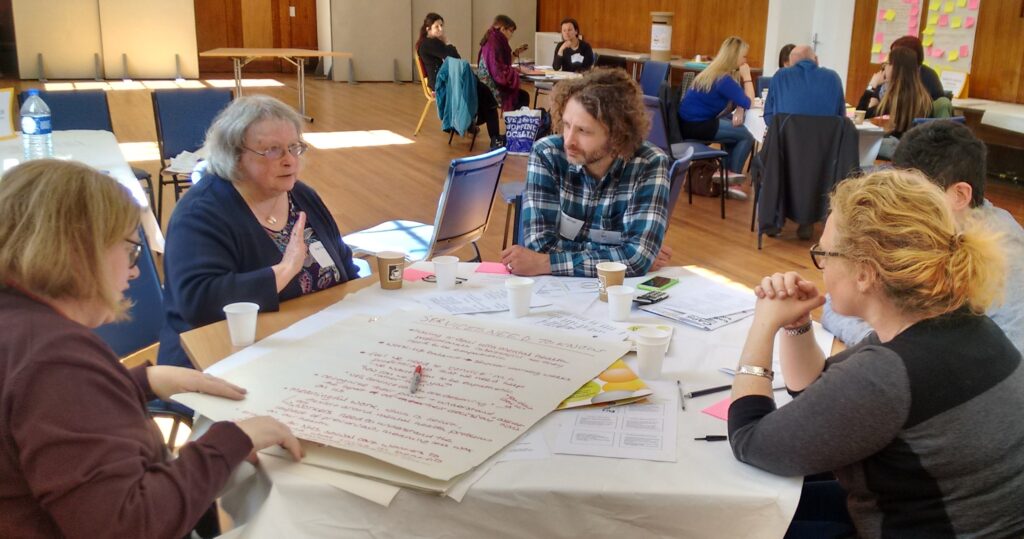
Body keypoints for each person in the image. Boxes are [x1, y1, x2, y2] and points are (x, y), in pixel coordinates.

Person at [0, 159, 303, 537]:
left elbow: (36, 414)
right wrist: (231, 441)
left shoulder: (21, 329)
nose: (135, 271)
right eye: (129, 250)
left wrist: (135, 381)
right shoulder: (55, 359)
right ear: (80, 250)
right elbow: (129, 526)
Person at [727, 169, 1024, 537]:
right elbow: (818, 393)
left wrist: (762, 325)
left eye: (824, 252)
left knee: (730, 521)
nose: (819, 262)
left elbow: (750, 441)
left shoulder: (891, 373)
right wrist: (796, 322)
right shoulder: (960, 325)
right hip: (953, 518)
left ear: (866, 273)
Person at [159, 95, 361, 369]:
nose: (290, 160)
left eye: (294, 147)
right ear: (235, 156)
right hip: (221, 358)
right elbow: (199, 302)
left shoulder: (302, 196)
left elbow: (345, 270)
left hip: (311, 345)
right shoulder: (201, 213)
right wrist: (285, 270)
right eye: (273, 150)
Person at [823, 120, 1024, 352]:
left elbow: (1010, 365)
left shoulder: (1008, 257)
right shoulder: (923, 230)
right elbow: (835, 304)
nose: (902, 208)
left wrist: (887, 342)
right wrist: (878, 339)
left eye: (918, 195)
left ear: (960, 195)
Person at [500, 68, 671, 278]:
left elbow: (636, 258)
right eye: (567, 125)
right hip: (555, 293)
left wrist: (546, 263)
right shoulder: (547, 154)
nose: (569, 141)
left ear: (617, 135)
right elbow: (540, 245)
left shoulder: (650, 163)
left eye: (583, 131)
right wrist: (619, 258)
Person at [416, 12, 502, 148]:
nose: (440, 29)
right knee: (486, 96)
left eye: (441, 26)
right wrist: (447, 42)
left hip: (443, 81)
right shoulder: (430, 44)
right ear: (428, 29)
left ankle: (471, 124)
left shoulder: (428, 43)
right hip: (443, 84)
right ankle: (494, 136)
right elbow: (455, 56)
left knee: (482, 92)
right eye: (437, 27)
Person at [678, 36, 755, 177]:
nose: (745, 61)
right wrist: (747, 76)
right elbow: (749, 102)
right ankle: (731, 177)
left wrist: (740, 107)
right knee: (746, 136)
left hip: (687, 124)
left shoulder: (714, 72)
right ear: (735, 57)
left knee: (735, 130)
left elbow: (741, 100)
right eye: (744, 57)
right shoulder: (723, 79)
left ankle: (725, 175)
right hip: (697, 126)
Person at [858, 47, 933, 157]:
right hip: (914, 154)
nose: (884, 68)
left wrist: (871, 86)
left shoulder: (893, 99)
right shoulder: (925, 98)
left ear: (895, 68)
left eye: (887, 64)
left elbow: (860, 117)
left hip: (891, 153)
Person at [762, 44, 845, 128]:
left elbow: (768, 117)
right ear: (816, 59)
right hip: (826, 139)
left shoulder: (780, 77)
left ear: (791, 63)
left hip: (787, 139)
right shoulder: (833, 78)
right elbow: (841, 117)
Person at [476, 14, 531, 113]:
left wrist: (515, 54)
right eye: (511, 31)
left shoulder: (493, 39)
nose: (511, 35)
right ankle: (516, 127)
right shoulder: (494, 44)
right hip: (489, 88)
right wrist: (518, 70)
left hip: (486, 85)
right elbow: (498, 71)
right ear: (502, 29)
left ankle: (514, 126)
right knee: (522, 97)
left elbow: (499, 64)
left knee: (522, 95)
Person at [888, 35, 945, 100]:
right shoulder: (889, 72)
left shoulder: (929, 76)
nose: (891, 62)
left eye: (895, 56)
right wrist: (873, 85)